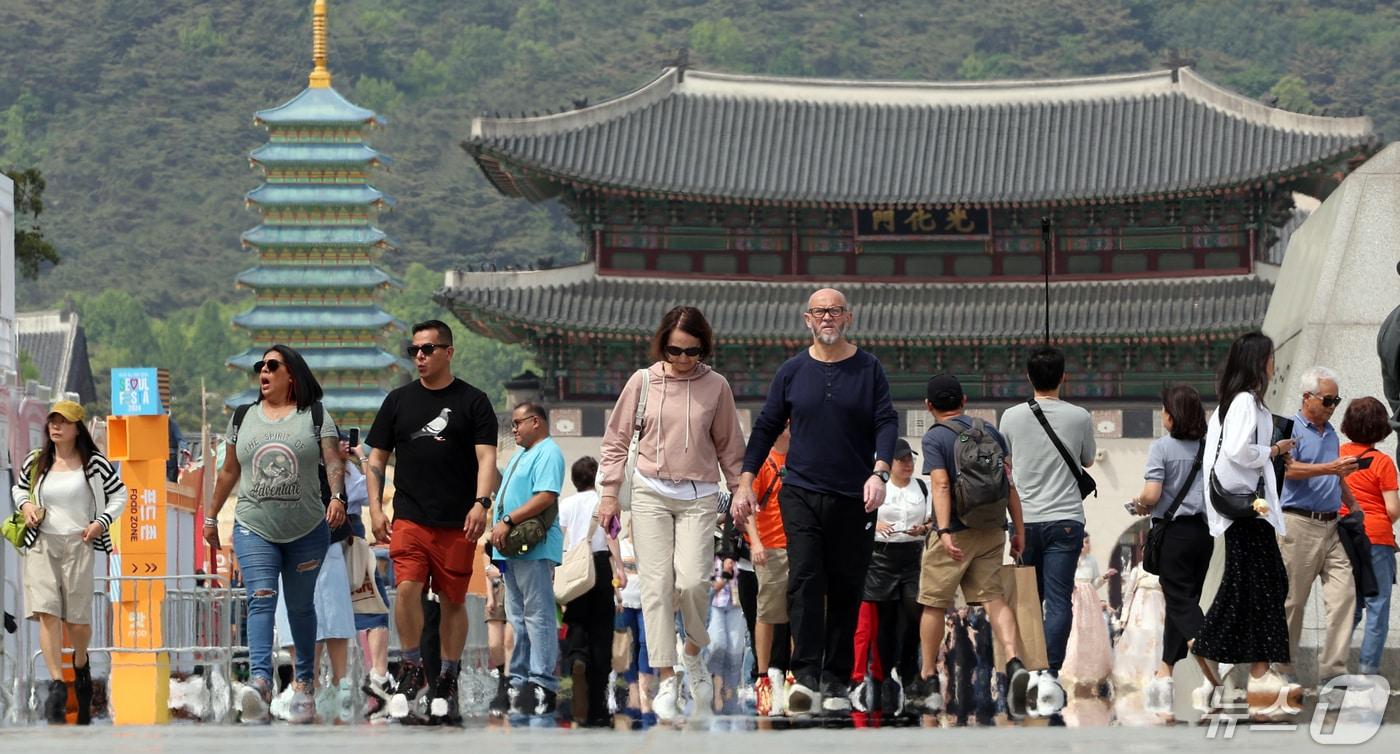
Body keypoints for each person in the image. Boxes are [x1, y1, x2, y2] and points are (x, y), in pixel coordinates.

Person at [732, 288, 899, 715]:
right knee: (805, 580)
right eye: (820, 311)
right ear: (807, 319)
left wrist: (880, 472)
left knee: (846, 585)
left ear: (848, 317)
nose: (828, 317)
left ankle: (836, 678)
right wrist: (746, 481)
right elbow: (766, 426)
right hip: (802, 492)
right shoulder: (791, 371)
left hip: (855, 495)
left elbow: (885, 420)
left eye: (835, 311)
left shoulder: (869, 368)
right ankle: (805, 676)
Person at [595, 306, 746, 722]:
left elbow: (731, 447)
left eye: (691, 351)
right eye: (674, 350)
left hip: (699, 494)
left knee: (695, 581)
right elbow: (615, 441)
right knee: (657, 586)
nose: (682, 359)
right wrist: (609, 494)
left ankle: (692, 652)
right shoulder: (642, 382)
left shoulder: (716, 386)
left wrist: (740, 493)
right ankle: (665, 677)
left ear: (704, 348)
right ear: (662, 345)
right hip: (651, 492)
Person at [365, 319, 499, 724]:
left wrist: (481, 503)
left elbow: (486, 458)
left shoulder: (474, 402)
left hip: (459, 521)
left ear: (449, 352)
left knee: (453, 600)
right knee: (406, 588)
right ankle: (411, 666)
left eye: (427, 349)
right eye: (414, 351)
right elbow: (376, 458)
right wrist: (376, 509)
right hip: (410, 517)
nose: (419, 357)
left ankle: (448, 677)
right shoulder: (398, 401)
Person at [206, 345, 345, 724]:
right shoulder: (243, 417)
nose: (263, 372)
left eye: (272, 365)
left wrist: (337, 497)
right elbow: (229, 471)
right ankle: (260, 682)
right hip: (254, 527)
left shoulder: (315, 415)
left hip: (307, 530)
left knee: (300, 606)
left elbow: (333, 460)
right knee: (261, 598)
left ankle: (304, 682)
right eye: (260, 366)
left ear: (291, 375)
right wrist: (211, 517)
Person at [909, 374, 1028, 718]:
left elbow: (941, 485)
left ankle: (928, 676)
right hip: (992, 529)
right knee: (994, 599)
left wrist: (944, 529)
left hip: (956, 532)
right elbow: (1009, 485)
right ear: (963, 400)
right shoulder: (990, 431)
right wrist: (1018, 530)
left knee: (934, 603)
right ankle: (1015, 661)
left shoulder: (935, 437)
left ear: (928, 406)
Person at [1192, 332, 1299, 713]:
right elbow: (1237, 451)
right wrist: (1273, 449)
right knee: (1264, 583)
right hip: (1247, 509)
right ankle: (1254, 669)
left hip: (1249, 509)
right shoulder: (1243, 403)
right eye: (1270, 356)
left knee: (1254, 584)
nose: (1273, 363)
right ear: (1258, 361)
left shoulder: (1241, 401)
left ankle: (1231, 657)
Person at [12, 400, 124, 725]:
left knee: (76, 621)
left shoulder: (94, 464)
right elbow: (20, 489)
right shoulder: (37, 460)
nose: (56, 427)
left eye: (63, 421)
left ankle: (80, 661)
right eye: (53, 421)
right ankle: (57, 685)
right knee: (47, 613)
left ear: (77, 428)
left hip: (79, 542)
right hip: (41, 543)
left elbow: (119, 494)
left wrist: (101, 522)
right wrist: (26, 507)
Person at [998, 347, 1096, 711]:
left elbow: (1006, 461)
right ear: (1063, 377)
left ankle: (1027, 668)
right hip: (1066, 519)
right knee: (1058, 599)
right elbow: (1087, 459)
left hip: (1025, 519)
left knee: (1027, 599)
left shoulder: (1010, 417)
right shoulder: (1080, 416)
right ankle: (1049, 674)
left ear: (1028, 377)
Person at [1129, 385, 1213, 715]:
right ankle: (1165, 672)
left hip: (1174, 535)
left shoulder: (1161, 448)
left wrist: (1139, 503)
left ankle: (1215, 667)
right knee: (1184, 602)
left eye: (1165, 409)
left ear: (1172, 416)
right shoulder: (1208, 447)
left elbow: (1152, 495)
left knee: (1181, 605)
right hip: (1203, 535)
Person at [1277, 366, 1360, 688]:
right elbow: (1290, 470)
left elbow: (1335, 475)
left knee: (1344, 596)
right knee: (1293, 601)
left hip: (1332, 525)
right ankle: (1283, 667)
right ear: (1307, 397)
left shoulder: (1332, 433)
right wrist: (1331, 467)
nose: (1332, 406)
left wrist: (1352, 503)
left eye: (1336, 401)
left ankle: (1334, 670)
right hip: (1298, 523)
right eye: (1327, 400)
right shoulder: (1289, 429)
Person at [490, 402, 565, 716]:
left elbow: (546, 495)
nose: (514, 429)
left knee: (538, 615)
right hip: (511, 548)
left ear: (536, 422)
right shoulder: (520, 455)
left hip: (532, 546)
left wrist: (508, 521)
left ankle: (542, 682)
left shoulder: (548, 451)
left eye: (518, 423)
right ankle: (519, 680)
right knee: (517, 618)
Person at [852, 438, 929, 715]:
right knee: (884, 621)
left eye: (910, 459)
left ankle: (908, 670)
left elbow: (933, 518)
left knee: (914, 612)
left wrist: (924, 528)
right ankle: (883, 675)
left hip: (912, 556)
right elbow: (857, 518)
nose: (908, 464)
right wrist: (874, 524)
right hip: (881, 558)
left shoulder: (922, 487)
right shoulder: (875, 486)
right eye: (902, 460)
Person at [558, 456, 622, 727]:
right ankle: (598, 709)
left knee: (577, 622)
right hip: (600, 566)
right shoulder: (603, 503)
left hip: (575, 568)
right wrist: (620, 569)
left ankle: (577, 658)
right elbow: (611, 536)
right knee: (601, 631)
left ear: (574, 480)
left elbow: (559, 538)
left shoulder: (566, 505)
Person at [1338, 396, 1400, 675]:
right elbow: (1393, 509)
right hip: (1376, 538)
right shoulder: (1382, 462)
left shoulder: (1337, 456)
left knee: (1348, 608)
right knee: (1378, 606)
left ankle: (1334, 668)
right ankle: (1367, 673)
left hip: (1343, 537)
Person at [340, 432, 392, 718]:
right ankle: (379, 677)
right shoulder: (345, 471)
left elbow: (368, 491)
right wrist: (361, 457)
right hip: (347, 535)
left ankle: (375, 677)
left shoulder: (330, 470)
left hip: (330, 537)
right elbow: (369, 491)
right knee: (373, 607)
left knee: (371, 607)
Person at [744, 428, 792, 716]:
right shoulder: (762, 462)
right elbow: (748, 506)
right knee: (767, 613)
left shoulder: (801, 457)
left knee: (800, 612)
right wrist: (756, 542)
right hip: (771, 546)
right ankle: (763, 678)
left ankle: (794, 676)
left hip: (800, 544)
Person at [1060, 535, 1114, 696]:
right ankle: (1071, 672)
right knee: (1074, 633)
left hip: (1089, 600)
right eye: (1084, 541)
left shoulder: (1092, 561)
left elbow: (1094, 583)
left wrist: (1104, 577)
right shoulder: (1068, 558)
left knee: (1090, 634)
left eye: (1088, 542)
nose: (1086, 545)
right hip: (1074, 598)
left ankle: (1092, 674)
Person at [707, 556, 747, 714]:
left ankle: (731, 691)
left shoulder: (737, 547)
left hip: (737, 602)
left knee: (735, 648)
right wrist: (722, 577)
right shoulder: (711, 549)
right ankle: (716, 692)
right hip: (715, 603)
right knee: (718, 645)